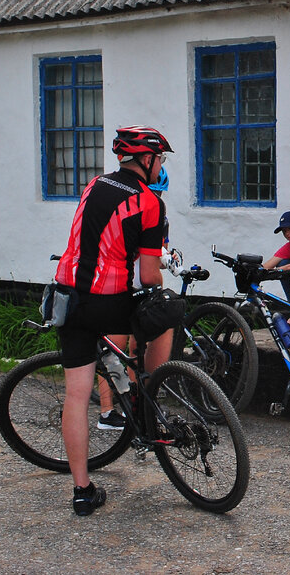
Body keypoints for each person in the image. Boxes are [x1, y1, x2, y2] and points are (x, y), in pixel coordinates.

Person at [53, 125, 176, 516]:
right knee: (169, 311)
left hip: (68, 296)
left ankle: (82, 491)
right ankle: (151, 400)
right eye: (160, 160)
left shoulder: (94, 184)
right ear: (146, 159)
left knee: (76, 394)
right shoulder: (149, 202)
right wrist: (159, 289)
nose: (161, 167)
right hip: (109, 300)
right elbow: (150, 276)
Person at [95, 165, 171, 432]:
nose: (156, 197)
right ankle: (107, 411)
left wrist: (167, 258)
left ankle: (137, 405)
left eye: (159, 193)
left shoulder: (159, 213)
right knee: (112, 351)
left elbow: (160, 249)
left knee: (137, 351)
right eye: (154, 191)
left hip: (141, 289)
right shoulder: (130, 208)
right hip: (122, 285)